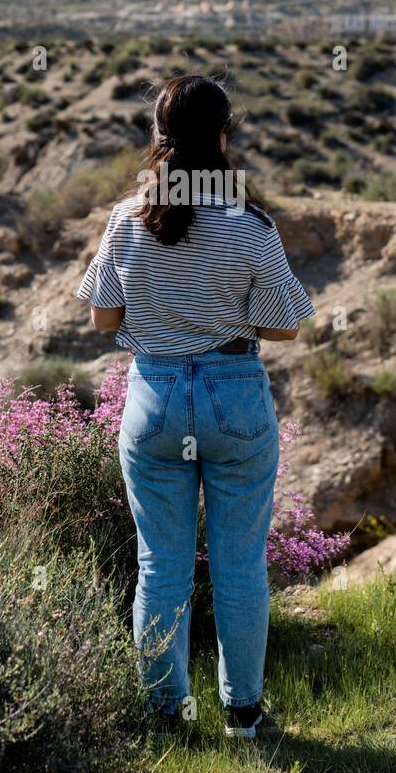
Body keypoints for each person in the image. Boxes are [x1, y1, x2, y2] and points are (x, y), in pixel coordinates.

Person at [77, 74, 314, 737]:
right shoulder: (250, 225)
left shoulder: (127, 220)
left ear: (159, 139)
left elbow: (103, 319)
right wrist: (221, 315)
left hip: (153, 398)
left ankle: (164, 713)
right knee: (239, 566)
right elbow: (285, 326)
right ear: (222, 135)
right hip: (233, 396)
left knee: (160, 566)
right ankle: (243, 714)